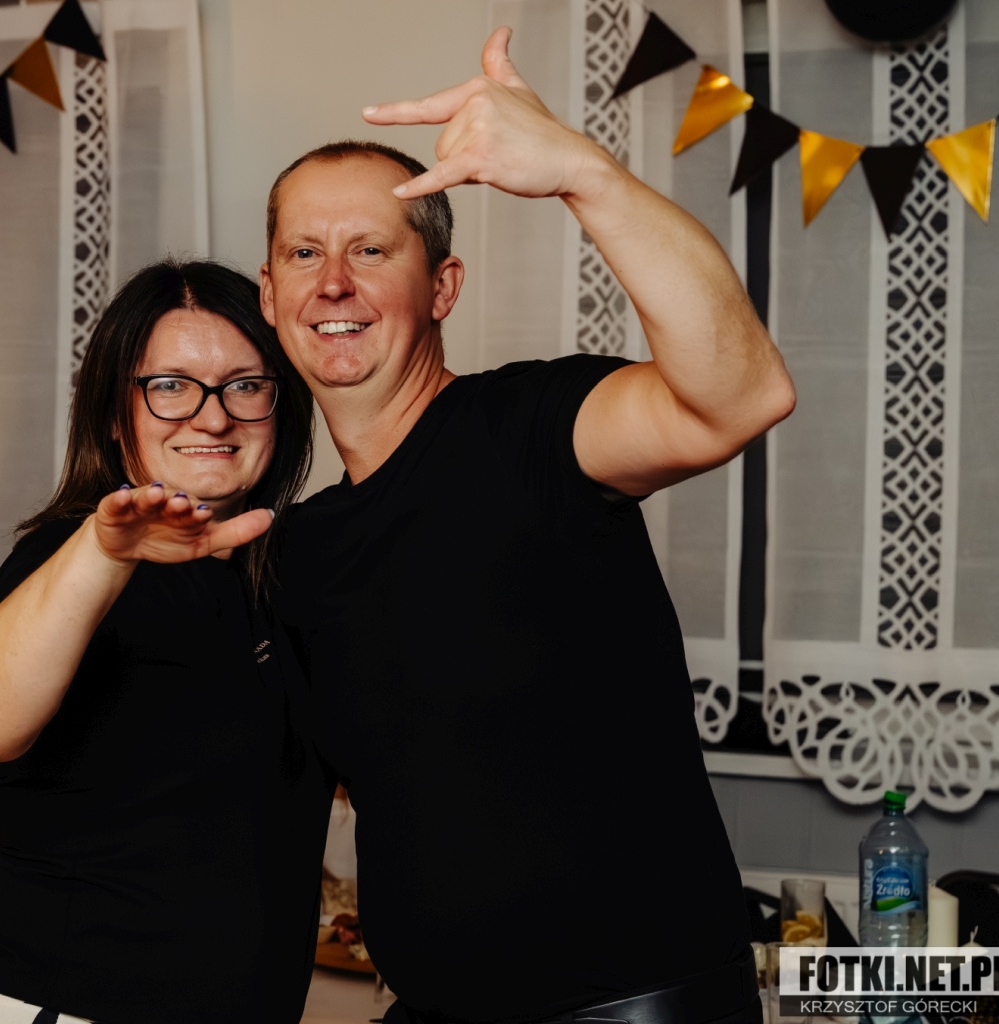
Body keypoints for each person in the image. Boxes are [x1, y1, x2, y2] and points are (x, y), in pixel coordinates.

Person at [259, 28, 795, 1024]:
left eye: (371, 249)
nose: (333, 281)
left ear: (442, 287)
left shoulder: (532, 427)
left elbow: (742, 395)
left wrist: (585, 174)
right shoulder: (302, 548)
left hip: (637, 1009)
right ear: (271, 293)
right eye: (304, 252)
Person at [0, 259, 331, 1024]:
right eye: (171, 385)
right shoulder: (68, 557)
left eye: (246, 385)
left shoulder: (282, 575)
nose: (212, 418)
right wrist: (104, 551)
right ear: (116, 414)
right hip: (60, 1003)